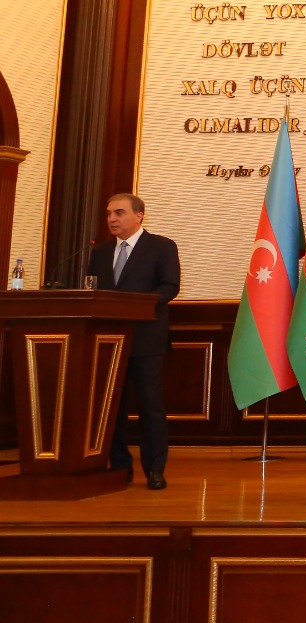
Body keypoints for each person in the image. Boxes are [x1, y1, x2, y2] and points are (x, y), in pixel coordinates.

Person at [88, 193, 181, 490]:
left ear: (139, 215)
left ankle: (155, 469)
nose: (111, 219)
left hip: (146, 339)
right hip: (108, 341)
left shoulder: (162, 246)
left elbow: (170, 286)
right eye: (109, 214)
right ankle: (119, 467)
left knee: (150, 407)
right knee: (112, 408)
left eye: (119, 213)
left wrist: (137, 305)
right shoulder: (99, 252)